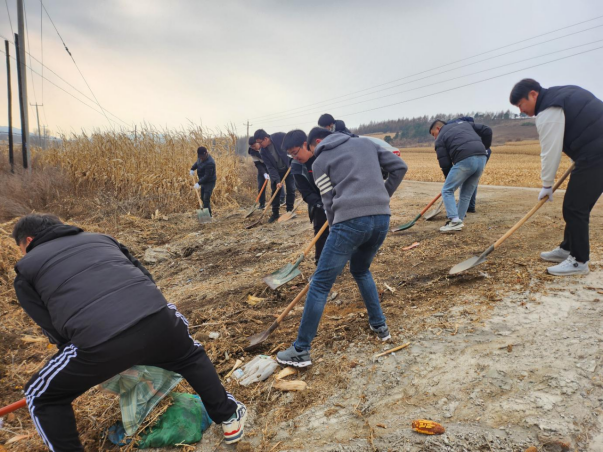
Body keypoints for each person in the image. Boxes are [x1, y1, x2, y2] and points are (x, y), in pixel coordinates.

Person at [11, 214, 247, 450]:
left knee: (40, 396)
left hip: (97, 339)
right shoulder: (101, 239)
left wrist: (96, 361)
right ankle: (229, 416)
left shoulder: (26, 270)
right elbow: (146, 278)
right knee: (189, 355)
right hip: (158, 318)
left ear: (28, 240)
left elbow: (51, 327)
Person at [276, 129, 408, 368]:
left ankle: (301, 349)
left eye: (296, 153)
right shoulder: (367, 144)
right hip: (381, 219)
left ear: (312, 143)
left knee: (320, 284)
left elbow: (328, 203)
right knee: (360, 270)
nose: (296, 159)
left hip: (349, 223)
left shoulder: (321, 162)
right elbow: (400, 167)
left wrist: (339, 226)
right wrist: (380, 198)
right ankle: (380, 327)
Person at [509, 78, 603, 276]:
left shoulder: (549, 110)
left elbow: (550, 150)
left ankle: (578, 261)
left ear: (533, 94)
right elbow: (584, 122)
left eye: (520, 104)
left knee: (574, 207)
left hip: (596, 154)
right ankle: (567, 248)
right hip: (594, 150)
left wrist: (547, 184)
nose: (521, 110)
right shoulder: (564, 93)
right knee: (577, 205)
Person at [429, 118, 492, 232]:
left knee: (447, 190)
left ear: (438, 128)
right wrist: (485, 147)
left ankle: (454, 220)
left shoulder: (440, 138)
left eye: (434, 134)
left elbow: (445, 163)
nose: (435, 137)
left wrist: (449, 179)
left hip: (465, 159)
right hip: (482, 157)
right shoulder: (465, 124)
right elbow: (487, 130)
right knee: (466, 194)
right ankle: (458, 220)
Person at [284, 129, 330, 264]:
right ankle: (320, 263)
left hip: (337, 199)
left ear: (305, 144)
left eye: (295, 153)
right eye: (290, 155)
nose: (294, 157)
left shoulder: (323, 155)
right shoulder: (297, 166)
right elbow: (305, 192)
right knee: (321, 232)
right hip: (318, 203)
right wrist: (321, 205)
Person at [444, 117, 493, 213]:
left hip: (475, 153)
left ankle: (468, 207)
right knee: (472, 179)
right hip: (478, 152)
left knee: (468, 178)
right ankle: (469, 206)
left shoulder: (451, 127)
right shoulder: (464, 128)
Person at [254, 129, 296, 223]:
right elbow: (270, 167)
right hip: (276, 171)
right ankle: (275, 213)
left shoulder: (280, 137)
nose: (259, 146)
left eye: (260, 143)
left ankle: (289, 210)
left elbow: (291, 142)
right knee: (275, 190)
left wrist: (293, 156)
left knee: (291, 189)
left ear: (265, 138)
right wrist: (277, 181)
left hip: (288, 167)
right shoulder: (263, 152)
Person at [190, 146, 217, 217]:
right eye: (200, 157)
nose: (201, 158)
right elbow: (197, 163)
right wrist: (192, 169)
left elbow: (207, 176)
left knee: (206, 198)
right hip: (203, 181)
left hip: (210, 181)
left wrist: (199, 183)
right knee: (202, 197)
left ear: (205, 154)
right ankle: (208, 213)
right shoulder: (200, 157)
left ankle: (208, 216)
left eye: (202, 157)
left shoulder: (210, 163)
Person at [248, 137, 269, 209]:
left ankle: (281, 199)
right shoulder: (252, 152)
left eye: (254, 145)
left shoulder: (265, 147)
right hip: (262, 167)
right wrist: (264, 173)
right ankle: (262, 204)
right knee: (261, 185)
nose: (253, 148)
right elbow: (258, 164)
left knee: (276, 182)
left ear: (258, 142)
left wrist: (270, 170)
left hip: (271, 166)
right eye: (251, 146)